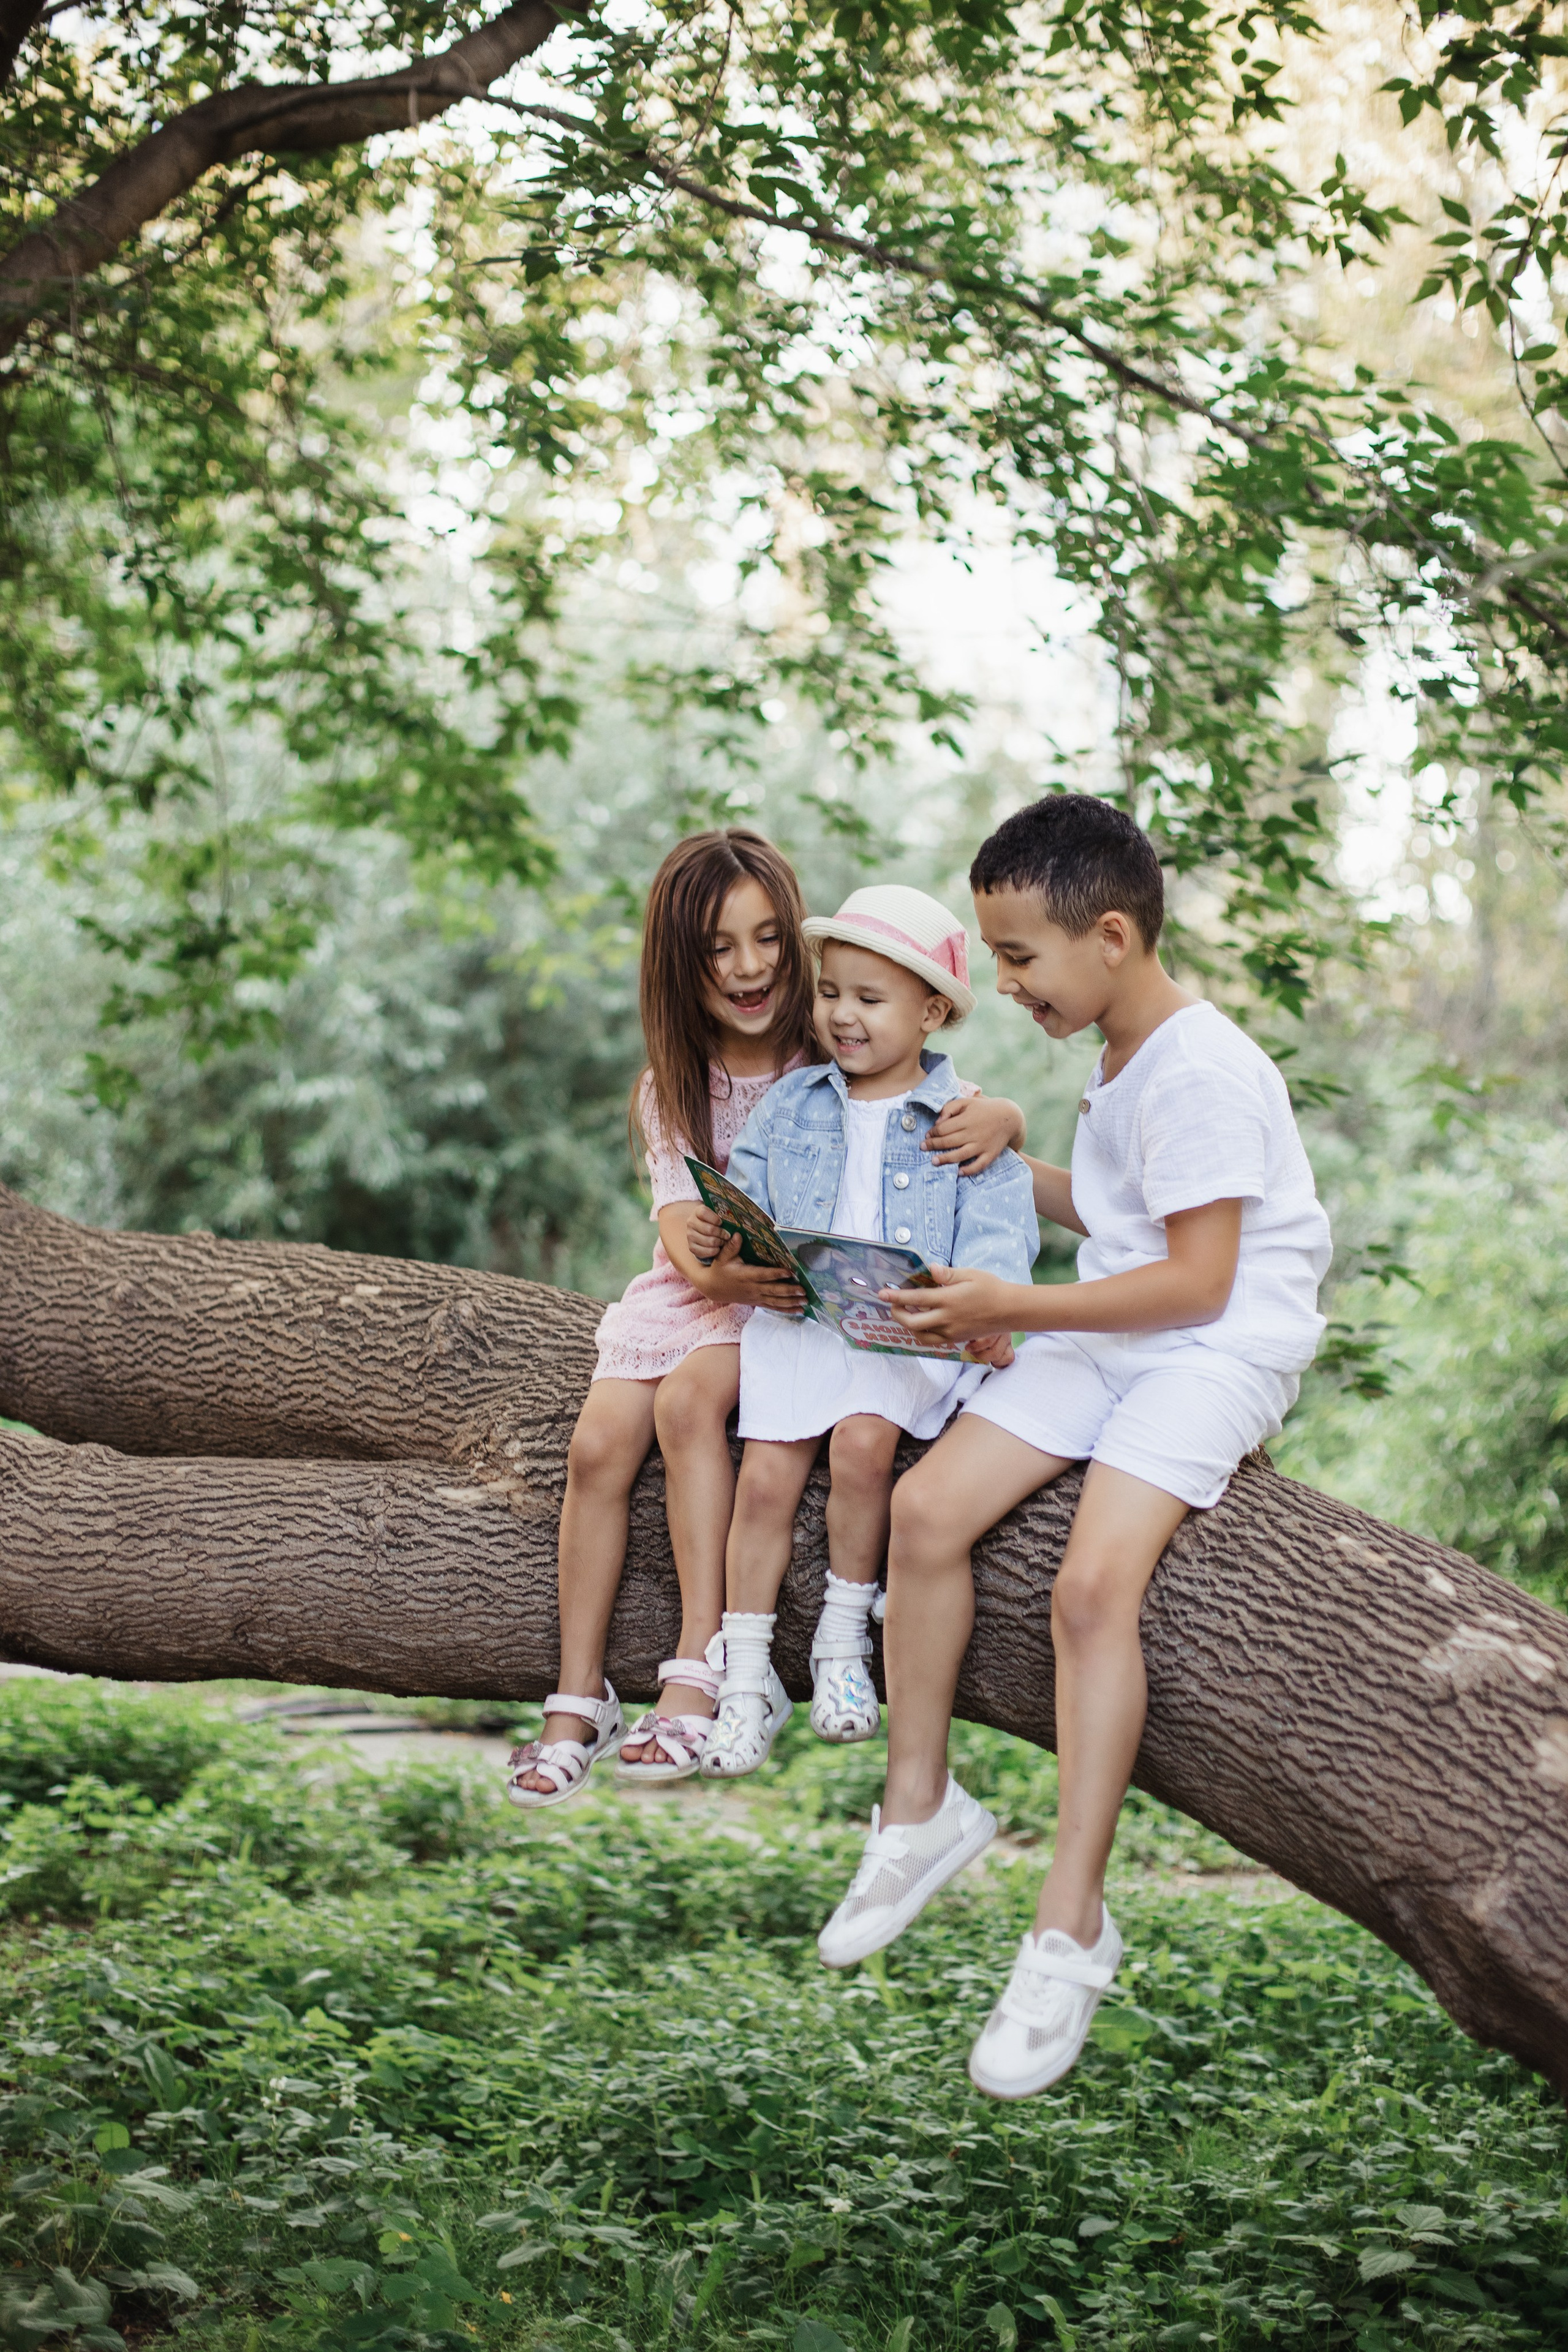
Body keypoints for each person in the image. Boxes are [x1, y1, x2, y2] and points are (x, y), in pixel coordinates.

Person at [815, 794, 1332, 2101]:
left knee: (1089, 1588)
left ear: (1110, 936)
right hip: (1114, 1330)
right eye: (994, 958)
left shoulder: (1202, 1068)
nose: (1003, 985)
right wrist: (1018, 1160)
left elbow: (1197, 1282)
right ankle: (921, 1805)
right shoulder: (1121, 1052)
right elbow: (1124, 1222)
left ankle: (1068, 1917)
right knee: (926, 1518)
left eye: (1018, 958)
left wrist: (1009, 1304)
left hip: (1211, 1350)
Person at [506, 837, 1020, 1807]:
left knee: (692, 1404)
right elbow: (685, 1239)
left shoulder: (829, 1049)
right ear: (678, 964)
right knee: (596, 1445)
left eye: (768, 942)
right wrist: (721, 1270)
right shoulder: (673, 1084)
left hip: (792, 1299)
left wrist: (1010, 1121)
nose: (748, 969)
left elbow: (928, 1101)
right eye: (717, 950)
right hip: (706, 1286)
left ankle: (699, 1665)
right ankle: (576, 1694)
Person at [684, 884, 1039, 1779]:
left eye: (869, 999)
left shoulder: (962, 1118)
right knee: (761, 1480)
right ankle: (746, 1674)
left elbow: (1001, 1227)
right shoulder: (796, 1100)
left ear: (929, 1011)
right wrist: (727, 1228)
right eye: (832, 992)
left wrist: (994, 1308)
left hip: (896, 1330)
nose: (842, 1016)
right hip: (806, 1323)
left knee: (864, 1447)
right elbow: (755, 1191)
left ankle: (843, 1640)